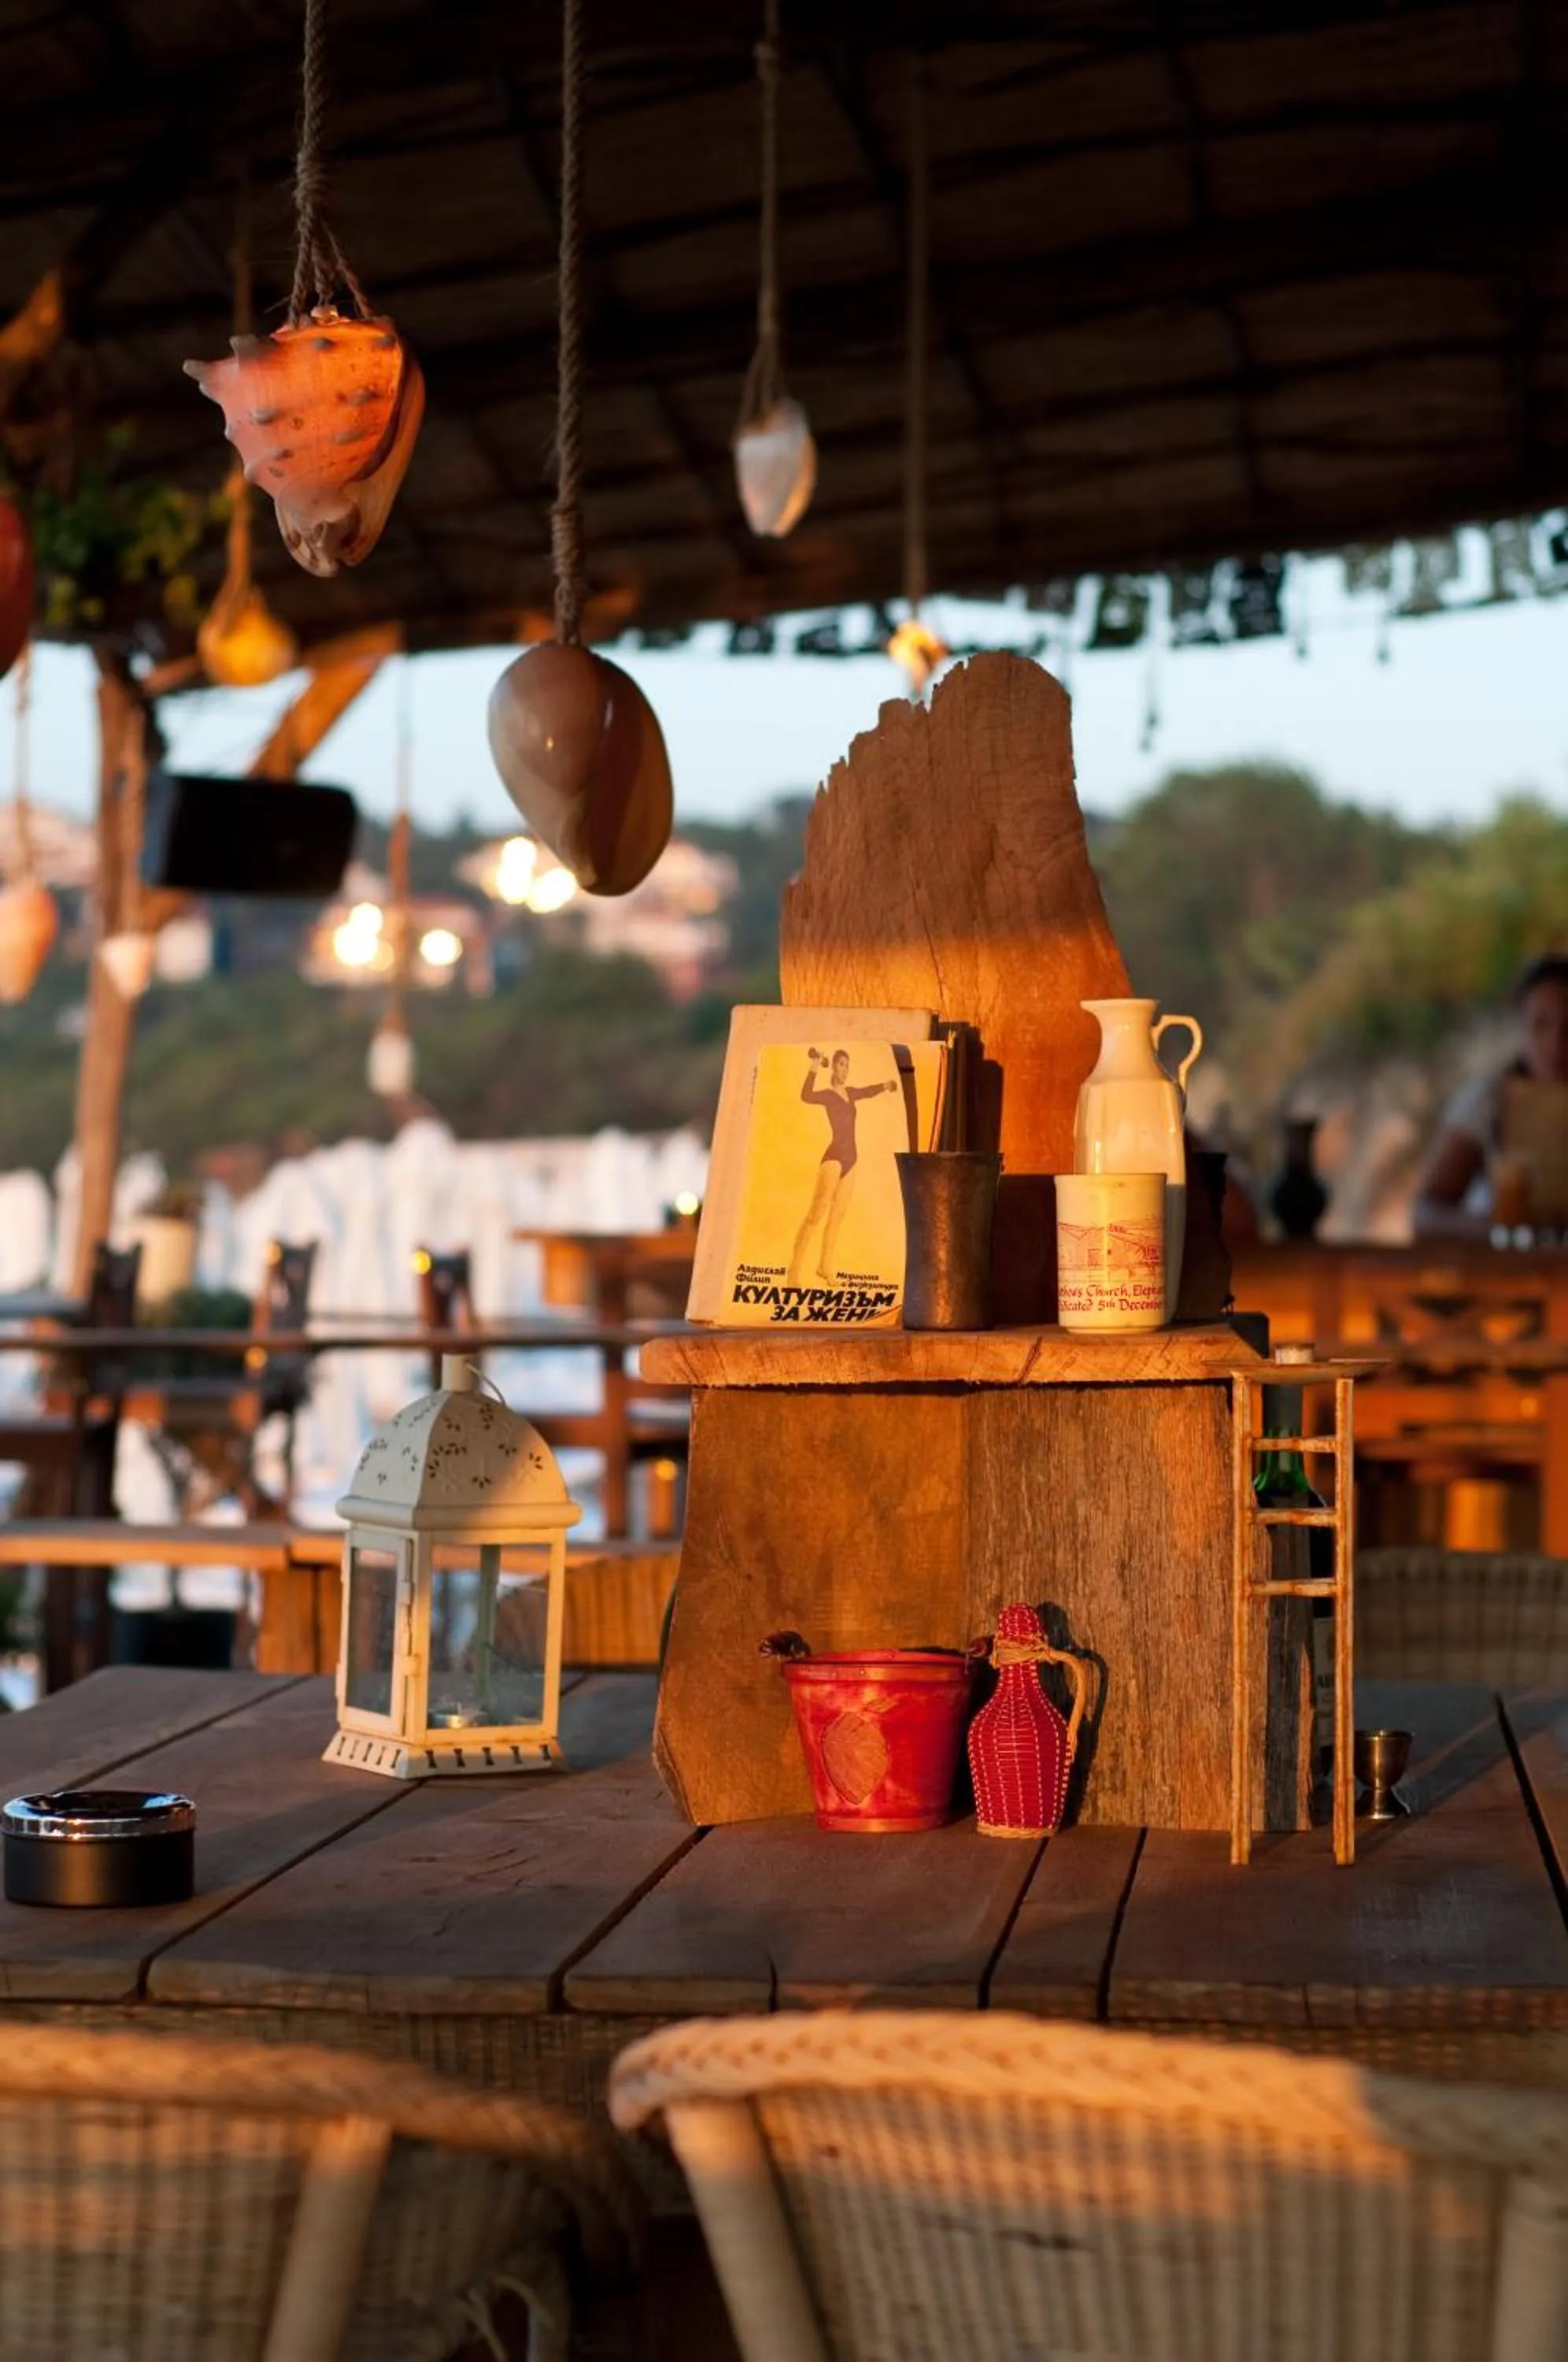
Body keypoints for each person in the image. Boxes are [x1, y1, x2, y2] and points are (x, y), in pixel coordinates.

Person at [1413, 953, 1568, 1240]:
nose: (1556, 1044)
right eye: (1540, 1026)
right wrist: (1497, 1229)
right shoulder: (1487, 1100)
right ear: (1522, 1030)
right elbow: (1426, 1212)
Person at [786, 1047, 900, 1286]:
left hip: (853, 1158)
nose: (845, 1070)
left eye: (847, 1066)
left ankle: (824, 1266)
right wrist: (815, 1064)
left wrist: (886, 1085)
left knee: (837, 1216)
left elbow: (867, 1091)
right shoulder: (828, 1095)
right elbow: (805, 1095)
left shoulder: (850, 1093)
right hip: (834, 1156)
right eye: (841, 1065)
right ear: (833, 1067)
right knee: (816, 1214)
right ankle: (793, 1271)